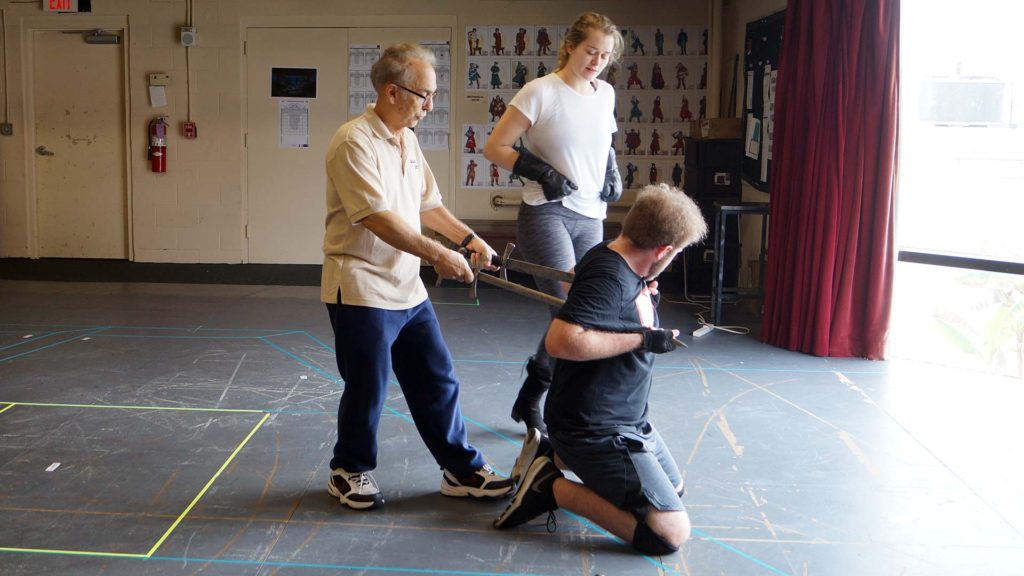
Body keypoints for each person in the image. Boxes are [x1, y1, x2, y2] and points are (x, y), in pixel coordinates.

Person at [321, 43, 514, 511]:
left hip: (406, 286)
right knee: (369, 384)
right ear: (391, 92)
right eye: (423, 96)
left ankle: (459, 468)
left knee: (437, 378)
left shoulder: (406, 139)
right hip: (362, 283)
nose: (429, 107)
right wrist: (438, 255)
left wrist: (468, 239)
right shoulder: (354, 142)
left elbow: (428, 205)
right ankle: (348, 471)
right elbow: (376, 218)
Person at [493, 184, 708, 556]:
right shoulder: (611, 278)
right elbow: (560, 341)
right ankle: (552, 487)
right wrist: (643, 338)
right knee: (669, 533)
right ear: (663, 251)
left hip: (629, 423)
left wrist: (637, 299)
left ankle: (551, 455)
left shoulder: (610, 254)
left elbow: (571, 282)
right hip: (596, 430)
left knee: (673, 492)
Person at [483, 12, 624, 435]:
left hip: (591, 216)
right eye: (590, 51)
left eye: (605, 55)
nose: (596, 61)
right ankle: (554, 402)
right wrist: (540, 171)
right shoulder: (540, 92)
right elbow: (495, 147)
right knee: (568, 309)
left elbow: (604, 142)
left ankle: (531, 396)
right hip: (546, 213)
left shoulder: (606, 94)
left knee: (587, 311)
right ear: (570, 47)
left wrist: (612, 170)